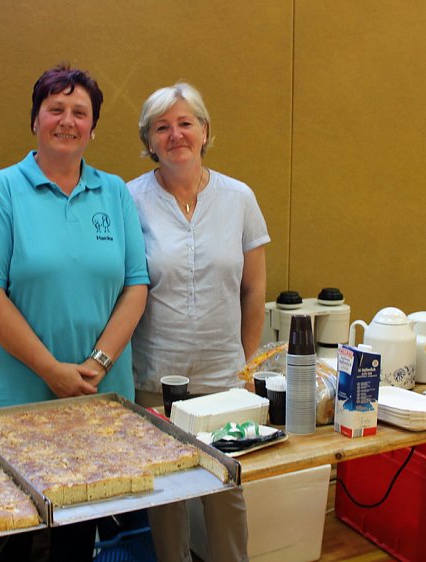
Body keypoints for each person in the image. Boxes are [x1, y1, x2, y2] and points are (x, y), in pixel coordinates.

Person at [0, 64, 149, 562]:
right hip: (18, 406)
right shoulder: (2, 191)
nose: (67, 120)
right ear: (35, 120)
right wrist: (51, 371)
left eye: (79, 112)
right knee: (9, 541)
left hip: (97, 402)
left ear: (93, 127)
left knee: (77, 541)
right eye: (56, 109)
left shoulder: (114, 194)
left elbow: (135, 286)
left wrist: (98, 364)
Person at [128, 82, 270, 562]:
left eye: (186, 123)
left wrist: (243, 364)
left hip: (223, 378)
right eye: (162, 128)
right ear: (148, 141)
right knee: (166, 498)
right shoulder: (129, 200)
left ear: (205, 131)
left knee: (226, 494)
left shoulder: (239, 198)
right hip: (155, 378)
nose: (176, 135)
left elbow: (254, 290)